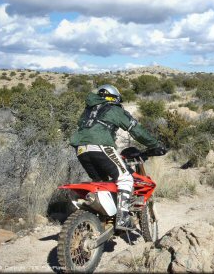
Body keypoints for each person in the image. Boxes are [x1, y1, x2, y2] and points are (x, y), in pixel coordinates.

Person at [70, 84, 166, 228]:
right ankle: (123, 218)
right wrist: (154, 145)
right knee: (125, 178)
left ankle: (102, 220)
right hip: (101, 146)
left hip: (81, 149)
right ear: (114, 98)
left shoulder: (89, 110)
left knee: (102, 183)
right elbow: (136, 130)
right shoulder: (114, 109)